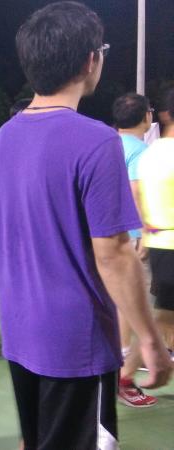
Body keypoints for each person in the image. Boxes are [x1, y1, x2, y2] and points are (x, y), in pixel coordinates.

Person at [0, 3, 171, 448]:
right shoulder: (95, 140)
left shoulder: (3, 139)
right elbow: (114, 254)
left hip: (20, 328)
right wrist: (149, 339)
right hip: (75, 341)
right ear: (91, 60)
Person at [125, 88, 174, 406]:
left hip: (159, 244)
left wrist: (146, 233)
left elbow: (139, 198)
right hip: (170, 246)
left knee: (163, 318)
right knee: (160, 320)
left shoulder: (152, 152)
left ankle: (126, 374)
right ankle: (125, 375)